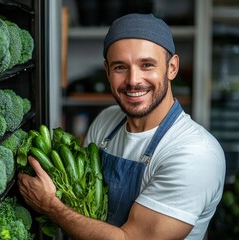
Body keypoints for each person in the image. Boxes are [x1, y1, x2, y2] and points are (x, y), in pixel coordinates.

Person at [17, 13, 226, 240]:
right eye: (120, 67)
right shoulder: (106, 121)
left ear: (172, 68)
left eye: (147, 65)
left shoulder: (195, 153)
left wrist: (50, 205)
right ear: (107, 71)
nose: (133, 80)